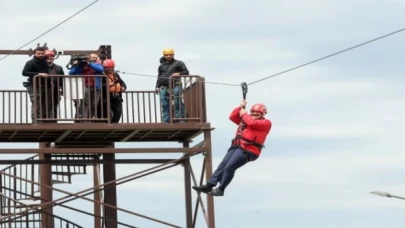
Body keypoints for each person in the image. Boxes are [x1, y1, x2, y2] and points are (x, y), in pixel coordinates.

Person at [192, 100, 272, 196]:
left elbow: (251, 123)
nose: (254, 114)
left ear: (262, 114)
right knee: (223, 165)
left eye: (257, 113)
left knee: (230, 167)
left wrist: (244, 114)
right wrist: (240, 107)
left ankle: (221, 189)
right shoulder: (247, 119)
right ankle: (209, 185)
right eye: (253, 112)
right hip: (237, 146)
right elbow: (233, 117)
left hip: (249, 150)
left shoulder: (266, 123)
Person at [155, 48, 189, 123]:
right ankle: (166, 121)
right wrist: (157, 86)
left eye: (170, 54)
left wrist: (179, 73)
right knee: (165, 104)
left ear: (173, 55)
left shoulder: (179, 63)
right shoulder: (161, 66)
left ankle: (180, 118)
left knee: (177, 101)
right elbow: (159, 76)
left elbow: (186, 72)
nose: (168, 56)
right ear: (164, 55)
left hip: (175, 85)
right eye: (167, 55)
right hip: (163, 86)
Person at [68, 53, 103, 121]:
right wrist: (76, 65)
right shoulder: (82, 65)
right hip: (85, 86)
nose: (94, 59)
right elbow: (71, 73)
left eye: (95, 57)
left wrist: (89, 63)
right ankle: (81, 117)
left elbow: (100, 69)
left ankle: (90, 118)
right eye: (92, 57)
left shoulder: (97, 65)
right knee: (85, 102)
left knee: (94, 104)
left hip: (96, 87)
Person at [22, 47, 52, 122]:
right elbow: (24, 72)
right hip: (33, 85)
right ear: (35, 54)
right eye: (38, 53)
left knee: (45, 103)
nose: (41, 55)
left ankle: (42, 120)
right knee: (36, 102)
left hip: (44, 85)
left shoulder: (44, 62)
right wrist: (38, 74)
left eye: (42, 53)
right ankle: (35, 120)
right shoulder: (30, 62)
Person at [44, 50, 64, 119]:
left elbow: (62, 80)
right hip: (43, 90)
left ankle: (53, 121)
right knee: (44, 106)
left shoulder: (59, 68)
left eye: (51, 56)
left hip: (55, 90)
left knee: (54, 106)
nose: (50, 58)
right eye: (48, 56)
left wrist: (63, 90)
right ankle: (44, 121)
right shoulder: (40, 67)